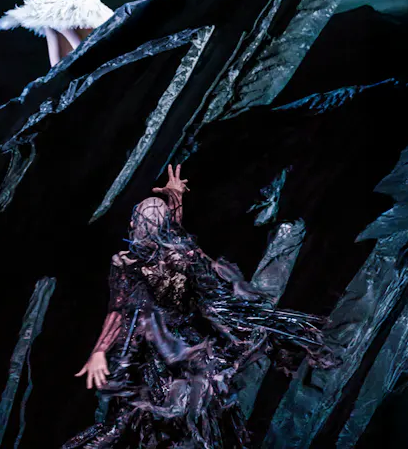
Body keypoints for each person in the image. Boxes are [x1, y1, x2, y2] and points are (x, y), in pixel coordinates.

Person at [65, 165, 338, 448]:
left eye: (137, 220)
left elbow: (119, 309)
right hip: (181, 348)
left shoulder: (131, 264)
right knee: (165, 415)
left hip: (165, 352)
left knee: (135, 420)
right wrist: (175, 196)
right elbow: (171, 230)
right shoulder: (179, 250)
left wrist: (100, 350)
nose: (133, 224)